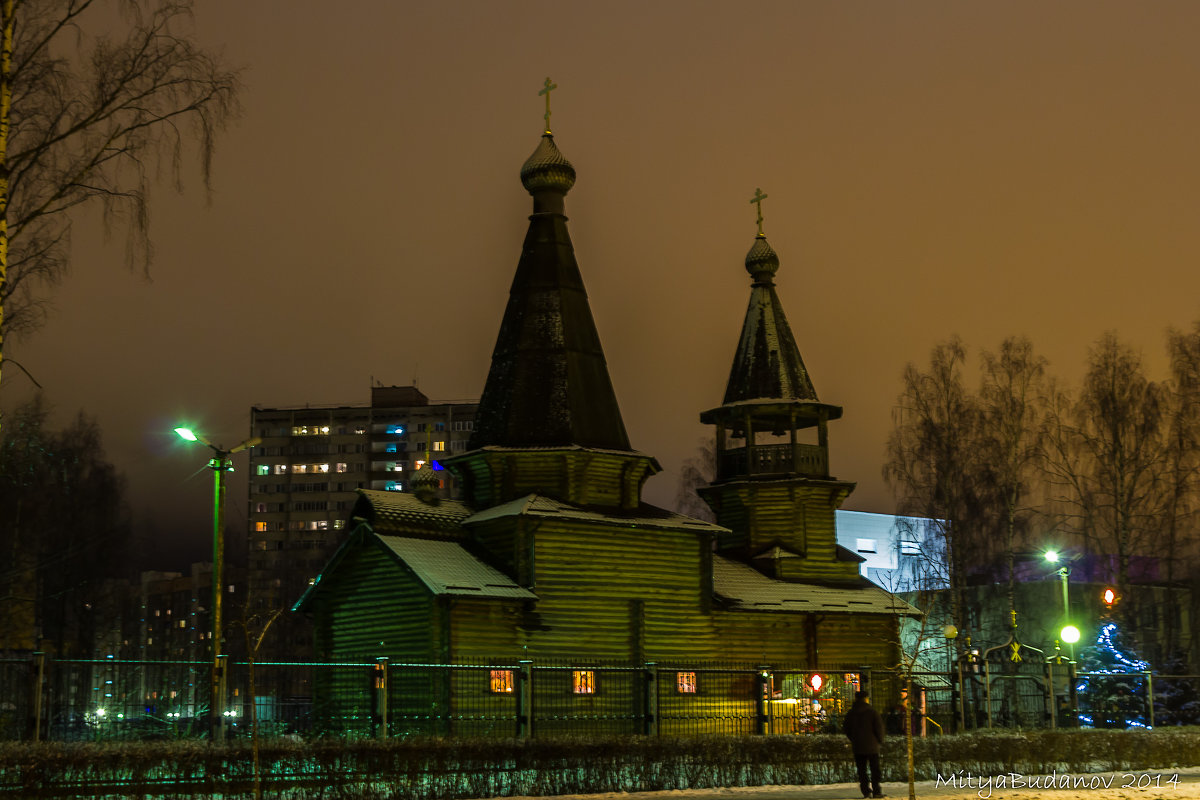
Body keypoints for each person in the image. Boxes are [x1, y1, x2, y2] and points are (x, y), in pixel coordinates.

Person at [843, 690, 885, 798]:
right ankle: (876, 790)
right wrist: (879, 740)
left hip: (858, 746)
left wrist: (854, 739)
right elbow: (879, 728)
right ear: (866, 698)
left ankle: (865, 791)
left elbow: (846, 729)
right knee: (874, 769)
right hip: (872, 746)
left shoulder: (851, 713)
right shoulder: (872, 712)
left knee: (862, 770)